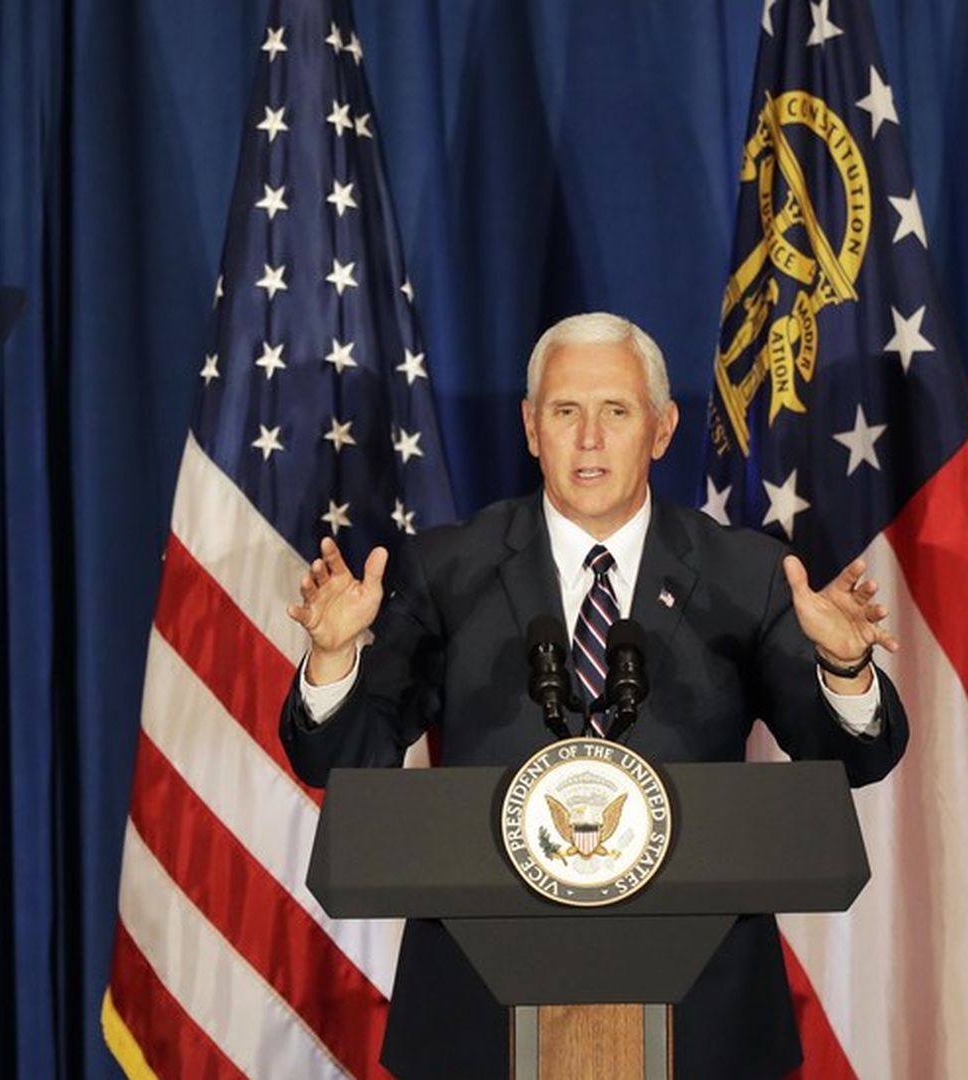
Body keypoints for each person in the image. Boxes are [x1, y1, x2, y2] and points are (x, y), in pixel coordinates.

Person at [281, 312, 909, 1080]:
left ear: (662, 428)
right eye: (564, 411)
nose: (588, 439)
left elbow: (850, 756)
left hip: (702, 1014)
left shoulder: (745, 573)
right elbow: (342, 758)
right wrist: (332, 660)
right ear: (530, 427)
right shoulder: (447, 569)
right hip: (481, 1009)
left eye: (616, 411)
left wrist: (844, 670)